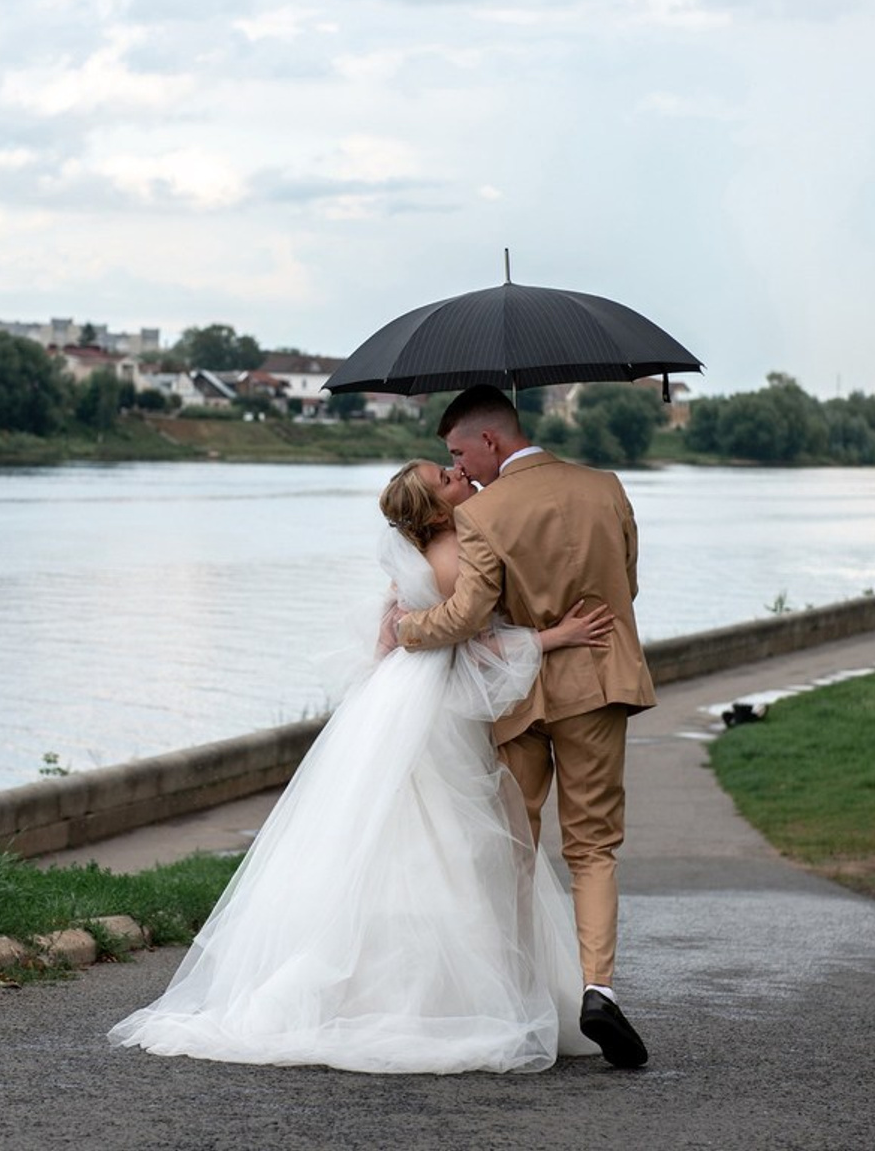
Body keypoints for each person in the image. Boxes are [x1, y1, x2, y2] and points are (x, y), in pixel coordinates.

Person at [108, 459, 613, 1074]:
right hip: (437, 706)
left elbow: (387, 636)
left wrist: (382, 689)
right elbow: (474, 642)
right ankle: (441, 1001)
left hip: (397, 695)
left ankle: (377, 988)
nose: (460, 474)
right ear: (434, 510)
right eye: (447, 477)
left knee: (386, 838)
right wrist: (553, 638)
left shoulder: (412, 556)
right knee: (451, 842)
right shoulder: (460, 549)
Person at [396, 385, 657, 1069]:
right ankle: (598, 987)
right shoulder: (606, 487)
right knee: (594, 846)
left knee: (517, 845)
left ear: (490, 439)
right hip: (599, 682)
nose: (461, 467)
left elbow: (466, 618)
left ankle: (513, 995)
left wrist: (405, 629)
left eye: (459, 452)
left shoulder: (483, 513)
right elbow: (627, 585)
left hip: (518, 699)